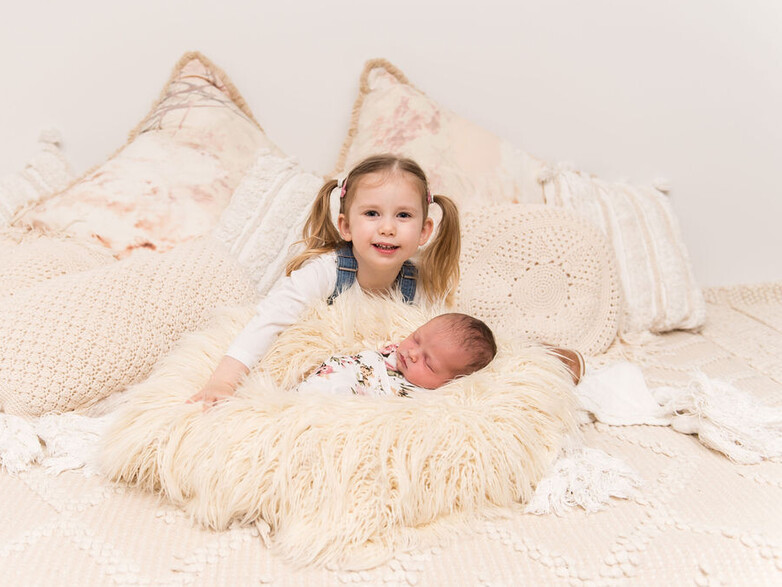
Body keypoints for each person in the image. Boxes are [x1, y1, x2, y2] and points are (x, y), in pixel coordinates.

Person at [189, 154, 462, 406]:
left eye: (403, 215)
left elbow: (441, 354)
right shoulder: (324, 272)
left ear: (424, 231)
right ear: (346, 226)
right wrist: (223, 381)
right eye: (371, 214)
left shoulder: (422, 286)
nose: (387, 228)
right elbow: (268, 321)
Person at [296, 312, 498, 398]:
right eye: (416, 339)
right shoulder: (392, 349)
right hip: (325, 384)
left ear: (450, 382)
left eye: (428, 363)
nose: (412, 353)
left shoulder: (425, 398)